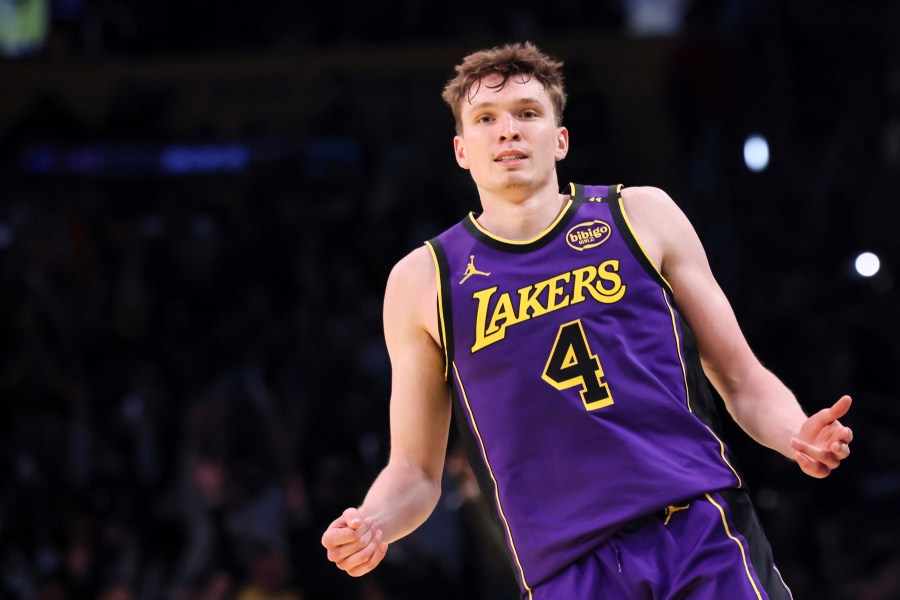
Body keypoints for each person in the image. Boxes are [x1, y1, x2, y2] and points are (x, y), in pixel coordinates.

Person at [321, 42, 854, 599]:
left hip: (696, 527)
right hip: (563, 570)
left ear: (561, 139)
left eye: (528, 113)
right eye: (485, 119)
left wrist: (796, 433)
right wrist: (375, 522)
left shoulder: (642, 215)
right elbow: (415, 472)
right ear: (461, 150)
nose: (508, 131)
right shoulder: (422, 280)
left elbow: (741, 379)